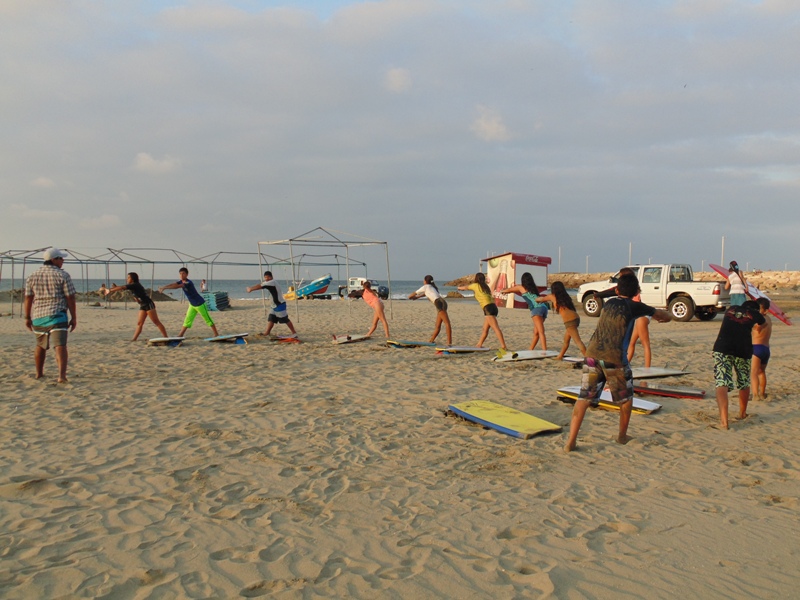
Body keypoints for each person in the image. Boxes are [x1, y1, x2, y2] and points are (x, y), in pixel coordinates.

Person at [564, 273, 671, 452]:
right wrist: (665, 315)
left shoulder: (609, 303)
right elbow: (663, 315)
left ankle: (571, 441)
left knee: (584, 399)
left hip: (592, 355)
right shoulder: (635, 307)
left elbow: (610, 292)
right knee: (625, 399)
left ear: (618, 289)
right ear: (637, 291)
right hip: (614, 358)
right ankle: (621, 436)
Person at [23, 247, 77, 383]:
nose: (63, 261)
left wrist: (27, 317)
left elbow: (28, 298)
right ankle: (61, 376)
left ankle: (39, 374)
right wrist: (74, 317)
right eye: (61, 258)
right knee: (60, 345)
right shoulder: (63, 275)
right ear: (54, 260)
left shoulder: (32, 276)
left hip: (39, 316)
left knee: (40, 345)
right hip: (57, 314)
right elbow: (70, 297)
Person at [712, 300, 765, 428]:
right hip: (743, 350)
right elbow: (763, 325)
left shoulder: (731, 308)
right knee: (743, 382)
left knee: (722, 382)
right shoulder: (756, 315)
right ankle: (742, 413)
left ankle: (724, 422)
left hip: (722, 347)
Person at [103, 273, 168, 341]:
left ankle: (166, 337)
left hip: (148, 304)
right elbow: (135, 294)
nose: (127, 279)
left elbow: (122, 287)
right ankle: (134, 339)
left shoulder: (135, 284)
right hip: (142, 305)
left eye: (128, 278)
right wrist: (137, 300)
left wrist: (109, 290)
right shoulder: (132, 286)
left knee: (156, 322)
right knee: (139, 323)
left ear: (132, 279)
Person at [159, 268, 219, 338]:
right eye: (180, 273)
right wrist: (164, 287)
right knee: (187, 320)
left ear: (187, 274)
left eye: (183, 273)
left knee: (207, 319)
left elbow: (178, 286)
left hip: (200, 304)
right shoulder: (181, 281)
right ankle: (180, 335)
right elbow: (174, 284)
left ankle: (216, 334)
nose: (181, 275)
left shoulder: (188, 282)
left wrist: (165, 288)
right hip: (192, 305)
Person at [537, 281, 587, 360]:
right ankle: (560, 356)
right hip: (575, 318)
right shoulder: (565, 297)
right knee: (566, 340)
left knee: (578, 341)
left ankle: (590, 359)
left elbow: (542, 299)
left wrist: (535, 299)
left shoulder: (552, 296)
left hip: (569, 321)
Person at [500, 272, 548, 350]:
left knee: (540, 331)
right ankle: (531, 349)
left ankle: (544, 350)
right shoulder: (534, 288)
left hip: (536, 309)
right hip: (544, 308)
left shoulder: (521, 287)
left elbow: (508, 290)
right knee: (536, 332)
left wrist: (502, 291)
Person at [458, 273, 507, 349]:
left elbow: (465, 287)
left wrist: (459, 288)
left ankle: (503, 346)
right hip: (493, 307)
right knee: (485, 329)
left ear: (476, 279)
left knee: (495, 328)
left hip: (488, 308)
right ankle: (479, 344)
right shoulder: (486, 286)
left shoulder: (475, 285)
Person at [246, 271, 298, 338]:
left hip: (279, 305)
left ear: (271, 277)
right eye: (265, 277)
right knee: (271, 318)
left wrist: (251, 289)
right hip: (274, 305)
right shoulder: (269, 283)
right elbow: (262, 284)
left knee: (285, 319)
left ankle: (294, 333)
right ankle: (267, 333)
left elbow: (261, 286)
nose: (266, 279)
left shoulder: (272, 282)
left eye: (268, 277)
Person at [408, 275, 452, 345]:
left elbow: (411, 295)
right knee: (437, 325)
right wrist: (417, 297)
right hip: (442, 302)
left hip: (439, 303)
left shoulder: (425, 287)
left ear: (425, 281)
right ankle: (431, 340)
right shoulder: (432, 287)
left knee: (447, 323)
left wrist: (412, 297)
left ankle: (449, 342)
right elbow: (427, 293)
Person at [751, 298, 772, 401]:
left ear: (765, 310)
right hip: (766, 349)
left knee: (754, 372)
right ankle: (762, 393)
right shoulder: (769, 319)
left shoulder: (758, 320)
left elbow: (755, 328)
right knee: (761, 372)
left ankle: (755, 395)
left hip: (756, 348)